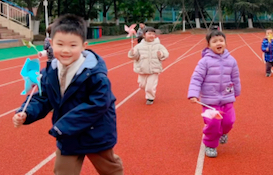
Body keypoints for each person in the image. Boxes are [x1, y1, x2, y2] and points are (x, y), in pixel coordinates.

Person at [12, 14, 124, 175]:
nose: (66, 50)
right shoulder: (50, 72)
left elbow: (97, 105)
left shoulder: (95, 75)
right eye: (60, 44)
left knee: (110, 169)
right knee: (63, 172)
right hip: (68, 136)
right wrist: (26, 112)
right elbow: (43, 97)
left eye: (73, 45)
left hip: (95, 133)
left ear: (84, 46)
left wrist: (62, 126)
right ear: (50, 45)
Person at [188, 30, 241, 158]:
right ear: (208, 45)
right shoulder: (204, 62)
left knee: (229, 121)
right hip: (209, 101)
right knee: (213, 123)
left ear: (225, 43)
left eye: (221, 41)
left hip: (227, 98)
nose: (219, 43)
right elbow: (196, 78)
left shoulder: (232, 60)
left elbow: (235, 77)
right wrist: (193, 94)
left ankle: (223, 132)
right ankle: (210, 145)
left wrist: (237, 91)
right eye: (215, 41)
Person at [128, 27, 169, 105]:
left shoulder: (158, 45)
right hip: (142, 69)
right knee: (142, 85)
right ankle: (148, 92)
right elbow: (135, 57)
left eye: (153, 34)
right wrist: (132, 53)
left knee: (150, 86)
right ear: (144, 35)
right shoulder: (139, 46)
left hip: (154, 69)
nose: (152, 35)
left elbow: (166, 54)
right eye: (149, 34)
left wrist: (161, 54)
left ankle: (150, 98)